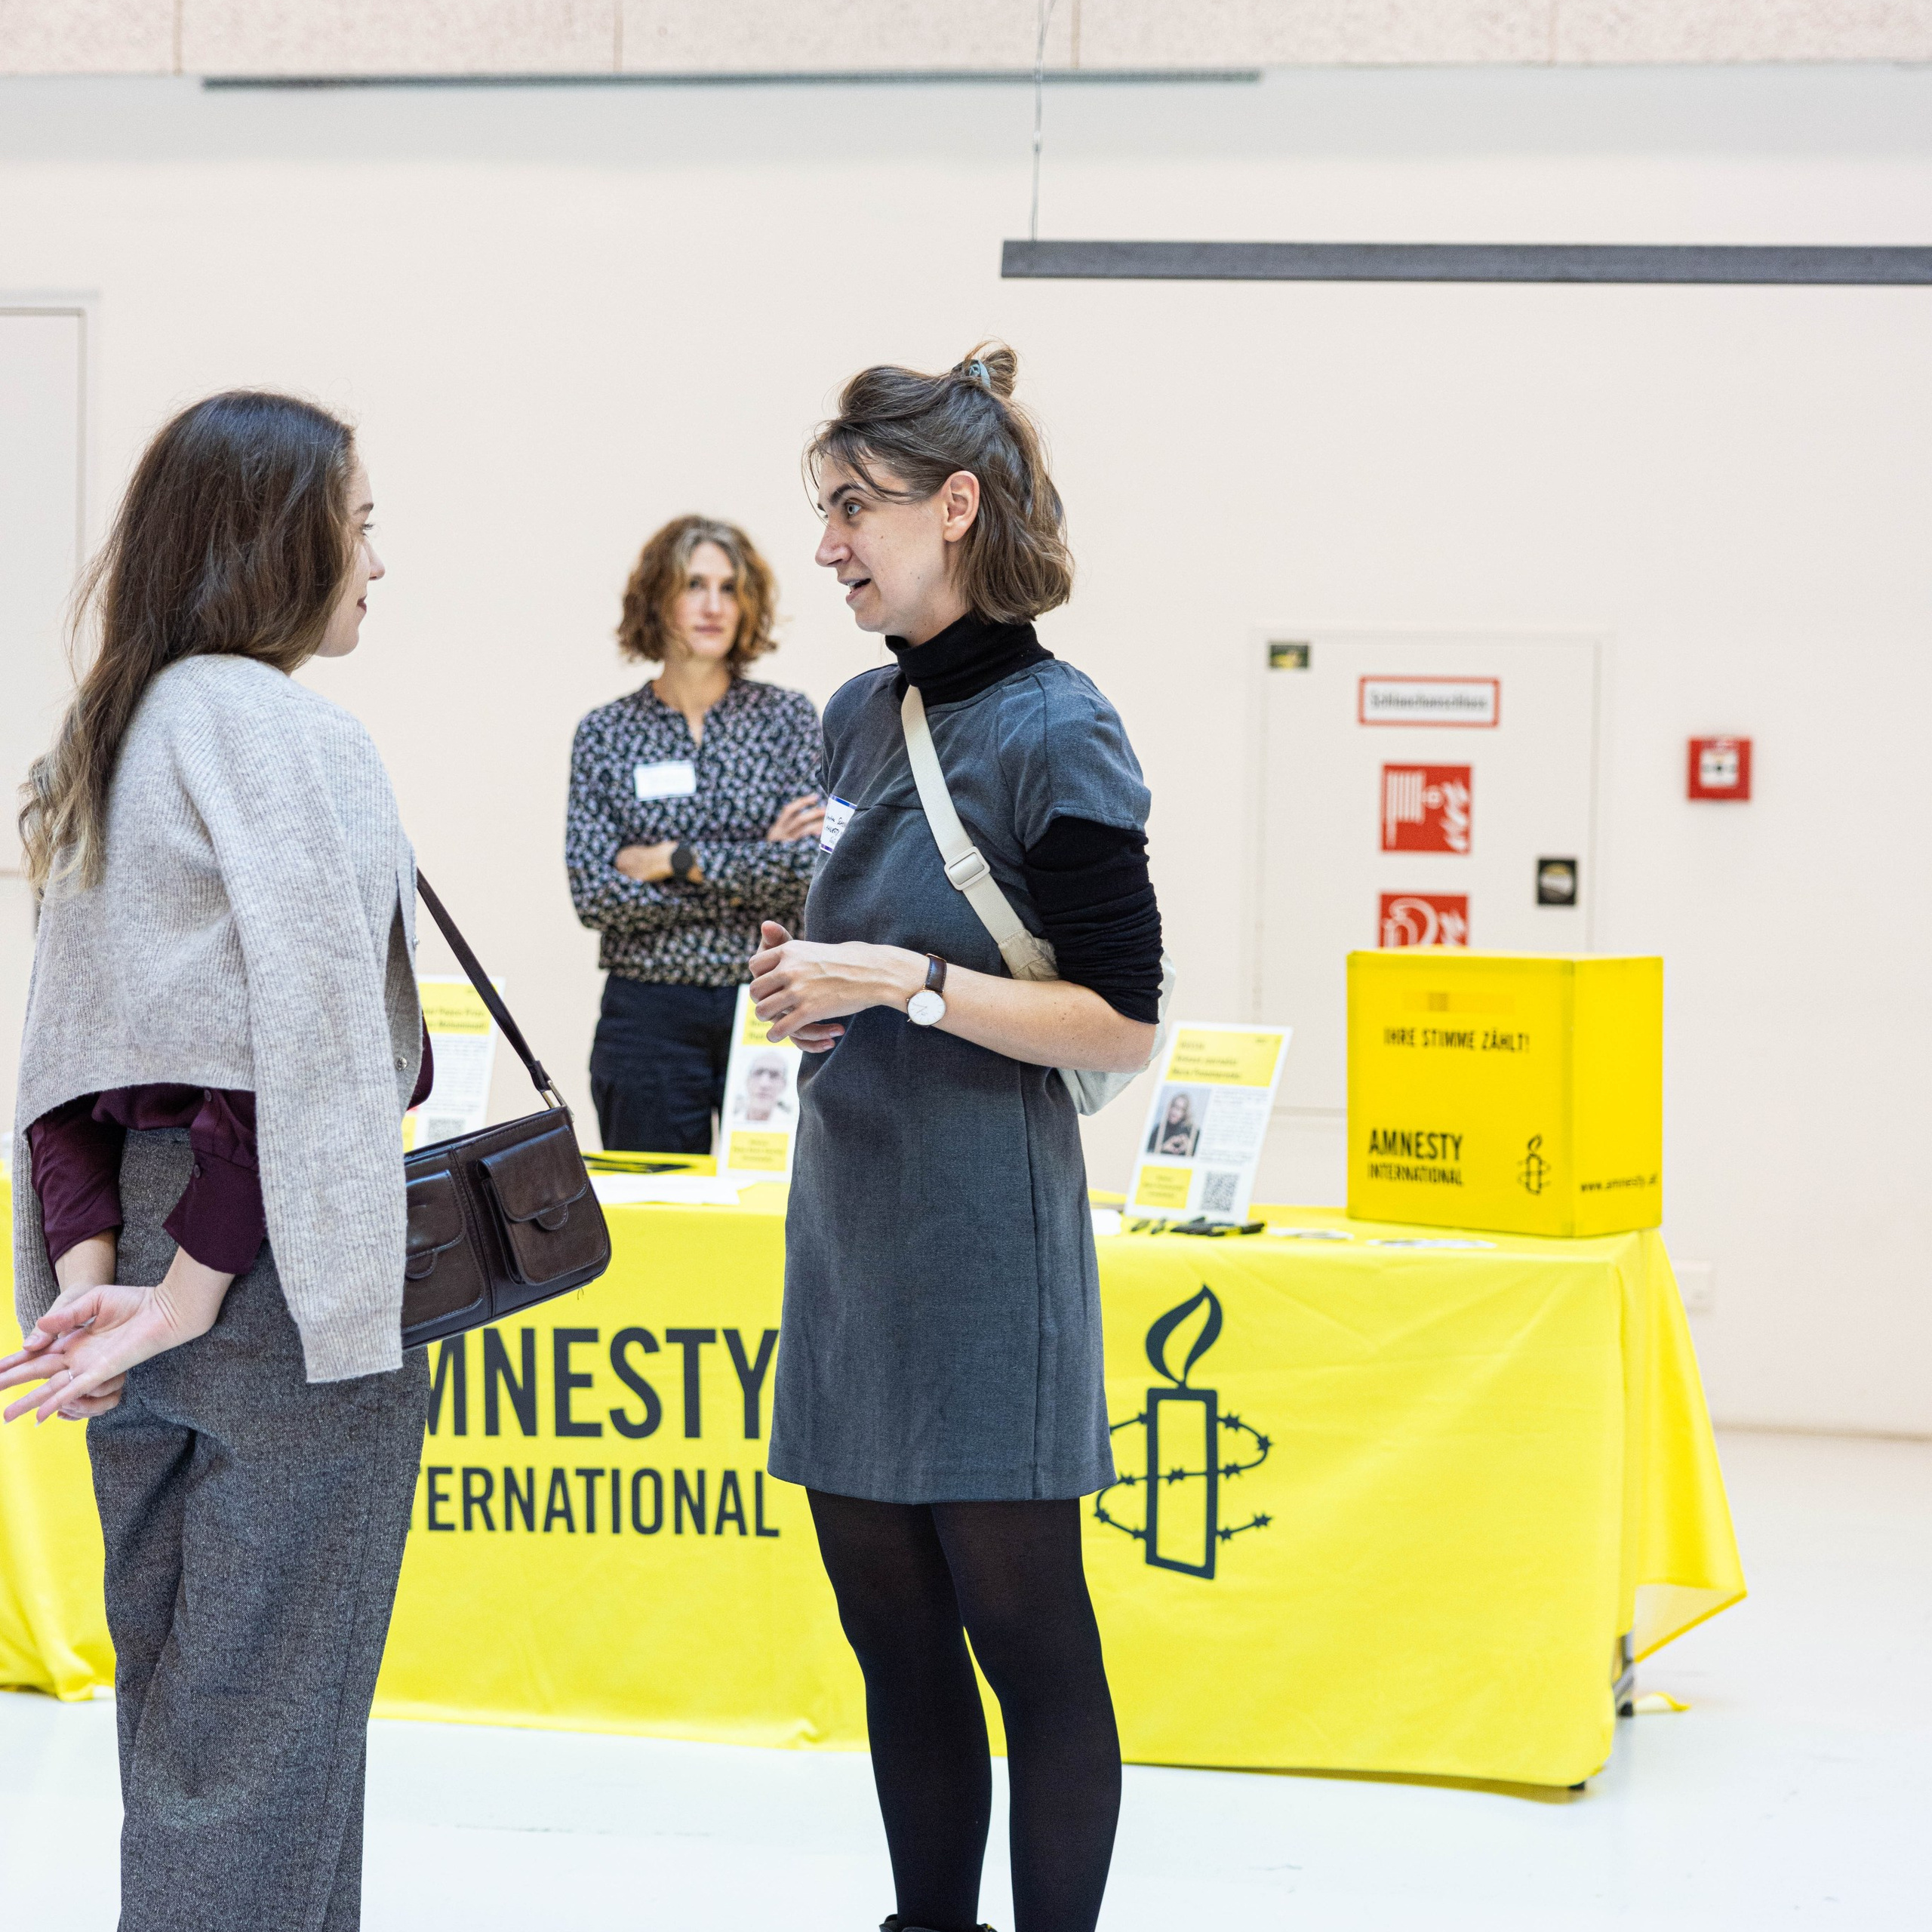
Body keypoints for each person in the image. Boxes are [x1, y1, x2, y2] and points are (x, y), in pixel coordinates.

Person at [1, 392, 431, 1932]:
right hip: (263, 1270)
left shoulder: (104, 733)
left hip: (134, 1263)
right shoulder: (291, 732)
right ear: (283, 537)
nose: (377, 562)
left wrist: (94, 1281)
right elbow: (314, 1042)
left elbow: (58, 1064)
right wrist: (190, 1288)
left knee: (192, 1731)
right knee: (270, 1743)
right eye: (362, 524)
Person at [753, 343, 1164, 1932]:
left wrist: (909, 981)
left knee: (1026, 1634)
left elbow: (1120, 1022)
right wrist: (818, 988)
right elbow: (873, 945)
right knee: (892, 1634)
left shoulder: (1060, 727)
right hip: (851, 1227)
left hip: (989, 1239)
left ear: (958, 505)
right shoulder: (860, 715)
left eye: (854, 507)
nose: (829, 542)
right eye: (825, 509)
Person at [567, 515, 823, 1154]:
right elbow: (595, 895)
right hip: (648, 1018)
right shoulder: (607, 733)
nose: (714, 606)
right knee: (657, 1217)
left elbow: (807, 870)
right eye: (694, 585)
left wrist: (668, 860)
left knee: (776, 1216)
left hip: (769, 1003)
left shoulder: (787, 720)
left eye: (730, 588)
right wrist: (753, 863)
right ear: (658, 599)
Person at [1150, 1088, 1199, 1157]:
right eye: (1173, 1106)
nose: (1174, 1112)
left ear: (1185, 1113)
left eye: (1179, 1109)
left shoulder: (1193, 1132)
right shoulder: (1160, 1129)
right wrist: (1163, 1148)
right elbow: (1147, 1151)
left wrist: (1190, 1149)